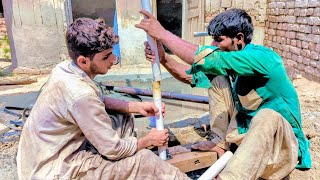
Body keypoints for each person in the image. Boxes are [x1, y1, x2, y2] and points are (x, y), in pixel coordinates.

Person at [136, 8, 312, 179]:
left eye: (219, 40)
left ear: (239, 38)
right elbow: (190, 75)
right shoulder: (234, 64)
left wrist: (163, 34)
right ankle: (219, 143)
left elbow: (209, 58)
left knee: (268, 116)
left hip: (279, 148)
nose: (214, 45)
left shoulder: (263, 58)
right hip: (246, 142)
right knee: (216, 75)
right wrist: (164, 57)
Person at [17, 17, 189, 180]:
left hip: (48, 153)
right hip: (55, 169)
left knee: (122, 116)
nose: (113, 60)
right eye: (106, 57)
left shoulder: (66, 68)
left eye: (111, 53)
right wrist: (148, 140)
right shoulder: (79, 94)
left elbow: (98, 99)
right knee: (145, 161)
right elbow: (113, 149)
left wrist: (136, 106)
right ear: (83, 61)